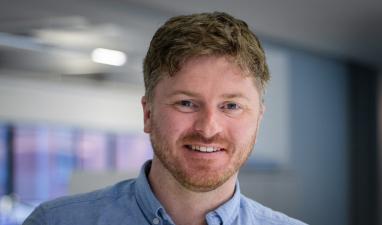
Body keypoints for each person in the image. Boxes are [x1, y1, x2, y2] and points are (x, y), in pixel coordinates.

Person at [23, 12, 307, 225]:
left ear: (258, 117)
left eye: (231, 105)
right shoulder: (57, 221)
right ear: (148, 114)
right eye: (186, 103)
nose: (208, 128)